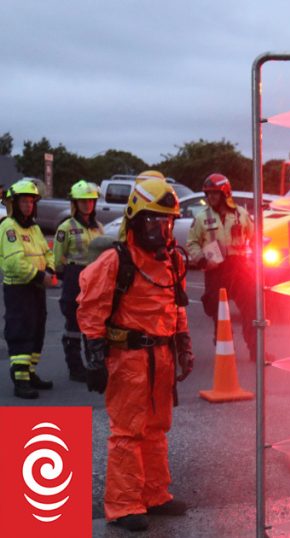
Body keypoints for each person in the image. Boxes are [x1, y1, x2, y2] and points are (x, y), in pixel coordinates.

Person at [78, 177, 194, 531]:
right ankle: (124, 504)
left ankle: (155, 494)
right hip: (129, 358)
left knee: (157, 428)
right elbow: (91, 306)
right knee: (128, 431)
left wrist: (183, 344)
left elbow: (176, 306)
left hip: (161, 355)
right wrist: (95, 356)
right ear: (137, 220)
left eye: (167, 223)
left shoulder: (171, 262)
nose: (162, 230)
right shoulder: (117, 261)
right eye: (155, 222)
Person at [185, 173, 257, 360]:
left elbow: (254, 237)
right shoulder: (202, 217)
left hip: (240, 268)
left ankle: (256, 350)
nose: (211, 197)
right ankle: (224, 349)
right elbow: (192, 243)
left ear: (225, 193)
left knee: (251, 309)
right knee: (218, 311)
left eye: (215, 193)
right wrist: (203, 260)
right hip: (216, 270)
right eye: (208, 194)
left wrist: (256, 258)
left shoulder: (241, 214)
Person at [1, 179, 57, 399]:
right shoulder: (9, 227)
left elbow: (48, 252)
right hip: (19, 288)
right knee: (21, 331)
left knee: (37, 330)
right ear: (14, 203)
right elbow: (15, 263)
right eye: (23, 201)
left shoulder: (34, 228)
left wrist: (50, 269)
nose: (28, 205)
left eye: (31, 201)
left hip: (36, 287)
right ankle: (20, 379)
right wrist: (41, 276)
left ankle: (30, 372)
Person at [53, 180, 104, 382]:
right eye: (83, 201)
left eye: (90, 201)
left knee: (93, 322)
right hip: (74, 276)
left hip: (95, 278)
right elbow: (57, 259)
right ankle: (75, 367)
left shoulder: (98, 227)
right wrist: (67, 275)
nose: (87, 204)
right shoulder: (66, 228)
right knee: (73, 324)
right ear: (75, 203)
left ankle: (94, 363)